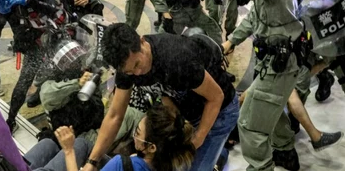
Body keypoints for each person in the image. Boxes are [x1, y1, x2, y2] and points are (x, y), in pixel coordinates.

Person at [81, 23, 239, 171]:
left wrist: (197, 139)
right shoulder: (127, 66)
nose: (136, 74)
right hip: (186, 110)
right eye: (129, 72)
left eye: (137, 65)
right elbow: (115, 115)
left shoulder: (177, 58)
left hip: (219, 111)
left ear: (142, 42)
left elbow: (216, 97)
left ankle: (219, 153)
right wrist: (92, 161)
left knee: (197, 165)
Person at [222, 0, 304, 170]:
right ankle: (285, 152)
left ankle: (261, 166)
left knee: (249, 125)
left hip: (278, 66)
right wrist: (231, 41)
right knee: (271, 111)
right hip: (270, 62)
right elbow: (253, 19)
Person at [0, 0, 66, 132]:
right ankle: (11, 119)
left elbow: (57, 12)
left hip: (57, 37)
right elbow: (12, 23)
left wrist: (29, 1)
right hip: (35, 40)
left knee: (61, 77)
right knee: (25, 78)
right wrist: (3, 14)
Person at [57, 104, 196, 171]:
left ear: (152, 147)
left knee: (51, 146)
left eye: (138, 132)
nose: (134, 136)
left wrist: (68, 150)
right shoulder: (169, 165)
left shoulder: (121, 164)